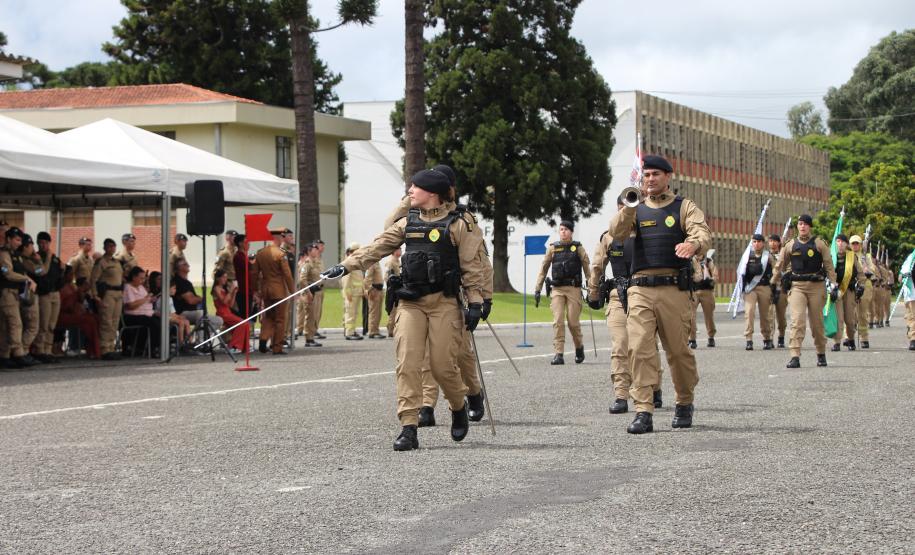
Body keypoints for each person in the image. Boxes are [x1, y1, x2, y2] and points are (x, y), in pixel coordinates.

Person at [323, 168, 485, 451]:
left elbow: (473, 266)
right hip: (411, 301)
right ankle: (409, 427)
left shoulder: (461, 223)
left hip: (444, 303)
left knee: (442, 365)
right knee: (408, 362)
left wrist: (476, 302)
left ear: (432, 193)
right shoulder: (407, 223)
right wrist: (345, 266)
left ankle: (458, 406)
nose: (410, 191)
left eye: (415, 187)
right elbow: (378, 246)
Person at [606, 154, 711, 434]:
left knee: (678, 353)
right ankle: (643, 410)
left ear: (668, 177)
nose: (650, 179)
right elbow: (616, 234)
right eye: (646, 175)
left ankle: (684, 401)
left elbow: (702, 233)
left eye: (655, 174)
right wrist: (630, 206)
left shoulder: (684, 207)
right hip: (640, 288)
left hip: (674, 288)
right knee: (639, 349)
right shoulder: (635, 208)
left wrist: (693, 245)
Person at [588, 196, 663, 414]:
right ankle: (621, 394)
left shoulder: (649, 233)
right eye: (621, 208)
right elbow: (597, 266)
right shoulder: (608, 237)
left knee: (645, 346)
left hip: (646, 294)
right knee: (620, 345)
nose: (625, 212)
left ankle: (653, 387)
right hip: (618, 295)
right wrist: (594, 292)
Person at [771, 214, 837, 369]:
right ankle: (795, 356)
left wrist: (834, 285)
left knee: (816, 323)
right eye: (800, 224)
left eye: (806, 224)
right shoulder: (790, 245)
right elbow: (780, 264)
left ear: (810, 227)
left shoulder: (820, 244)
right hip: (797, 286)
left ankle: (821, 353)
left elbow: (829, 266)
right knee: (797, 321)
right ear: (797, 227)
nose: (803, 227)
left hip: (816, 287)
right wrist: (773, 283)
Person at [534, 220, 591, 365]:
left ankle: (579, 347)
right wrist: (538, 289)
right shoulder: (553, 248)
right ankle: (558, 354)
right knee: (558, 321)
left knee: (573, 322)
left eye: (566, 229)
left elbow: (587, 269)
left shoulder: (578, 248)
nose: (563, 232)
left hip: (573, 289)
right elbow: (543, 269)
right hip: (557, 289)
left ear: (571, 231)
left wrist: (592, 288)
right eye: (561, 229)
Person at [251, 229, 294, 354]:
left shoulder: (261, 253)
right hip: (279, 291)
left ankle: (263, 339)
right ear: (279, 238)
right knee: (280, 319)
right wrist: (292, 291)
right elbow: (287, 275)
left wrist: (255, 290)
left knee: (268, 317)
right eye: (282, 237)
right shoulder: (281, 254)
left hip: (266, 290)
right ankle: (277, 347)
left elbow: (254, 273)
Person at [0, 227, 38, 369]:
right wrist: (26, 280)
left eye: (20, 240)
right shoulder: (3, 254)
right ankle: (18, 354)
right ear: (8, 239)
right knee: (16, 324)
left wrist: (27, 278)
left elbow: (33, 271)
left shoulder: (15, 255)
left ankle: (4, 356)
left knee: (5, 327)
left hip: (14, 293)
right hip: (6, 293)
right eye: (16, 239)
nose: (19, 243)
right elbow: (8, 274)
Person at [89, 238, 124, 361]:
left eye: (113, 246)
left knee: (115, 322)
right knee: (106, 322)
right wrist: (95, 295)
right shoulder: (101, 262)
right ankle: (104, 349)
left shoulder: (117, 262)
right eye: (109, 246)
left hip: (118, 293)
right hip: (107, 293)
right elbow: (93, 279)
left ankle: (111, 347)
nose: (112, 249)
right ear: (104, 248)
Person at [34, 231, 66, 363]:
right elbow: (39, 274)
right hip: (44, 294)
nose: (43, 245)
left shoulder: (54, 259)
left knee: (52, 324)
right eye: (41, 243)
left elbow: (60, 276)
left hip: (55, 293)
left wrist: (63, 270)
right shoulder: (35, 258)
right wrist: (46, 257)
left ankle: (48, 350)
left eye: (45, 243)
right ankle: (40, 350)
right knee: (44, 324)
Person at [831, 234, 864, 352]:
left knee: (849, 319)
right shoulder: (831, 256)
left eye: (842, 242)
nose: (840, 244)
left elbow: (860, 273)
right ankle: (836, 342)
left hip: (849, 290)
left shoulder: (851, 256)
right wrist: (830, 287)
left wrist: (861, 286)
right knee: (838, 317)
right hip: (836, 291)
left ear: (846, 244)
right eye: (837, 241)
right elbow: (826, 273)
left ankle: (850, 339)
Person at [55, 273, 101, 359]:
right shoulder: (64, 288)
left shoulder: (73, 288)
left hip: (75, 313)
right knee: (89, 321)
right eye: (70, 273)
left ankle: (93, 349)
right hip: (64, 315)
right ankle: (81, 347)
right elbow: (67, 306)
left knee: (95, 318)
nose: (72, 276)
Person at [742, 233, 775, 350]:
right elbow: (741, 272)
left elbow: (776, 270)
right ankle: (749, 339)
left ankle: (767, 338)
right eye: (754, 242)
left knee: (765, 314)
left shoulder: (768, 256)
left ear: (763, 243)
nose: (756, 244)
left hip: (764, 287)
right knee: (749, 311)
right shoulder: (746, 256)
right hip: (750, 288)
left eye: (759, 241)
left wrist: (775, 286)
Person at [172, 258, 224, 330]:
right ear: (179, 267)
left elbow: (193, 298)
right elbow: (191, 300)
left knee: (219, 320)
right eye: (185, 264)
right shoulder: (178, 281)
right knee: (200, 314)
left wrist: (195, 298)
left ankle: (203, 339)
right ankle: (201, 340)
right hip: (182, 313)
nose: (188, 265)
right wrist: (200, 298)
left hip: (193, 312)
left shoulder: (187, 282)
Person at [122, 266, 161, 356]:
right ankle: (153, 349)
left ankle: (161, 345)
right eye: (141, 278)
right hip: (133, 315)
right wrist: (146, 299)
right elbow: (131, 306)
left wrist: (151, 299)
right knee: (154, 324)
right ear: (134, 277)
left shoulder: (141, 287)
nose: (143, 280)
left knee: (162, 321)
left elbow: (146, 299)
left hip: (147, 313)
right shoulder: (128, 287)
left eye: (144, 278)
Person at [150, 271, 192, 352]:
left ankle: (190, 342)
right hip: (164, 317)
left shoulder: (170, 298)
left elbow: (173, 312)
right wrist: (178, 317)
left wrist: (179, 316)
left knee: (186, 321)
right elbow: (168, 313)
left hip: (169, 316)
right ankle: (181, 343)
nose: (175, 290)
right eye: (174, 288)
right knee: (181, 322)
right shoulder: (162, 298)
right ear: (167, 289)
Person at [18, 234, 43, 361]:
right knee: (32, 326)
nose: (33, 248)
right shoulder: (25, 261)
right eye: (32, 245)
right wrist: (39, 261)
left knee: (28, 326)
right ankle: (22, 351)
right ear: (26, 246)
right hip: (28, 295)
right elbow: (40, 272)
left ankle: (23, 351)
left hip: (27, 294)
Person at [212, 268, 246, 354]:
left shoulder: (224, 289)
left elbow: (230, 305)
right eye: (223, 277)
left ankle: (243, 346)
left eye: (226, 277)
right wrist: (230, 291)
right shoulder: (216, 289)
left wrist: (234, 292)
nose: (225, 279)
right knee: (242, 323)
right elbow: (223, 301)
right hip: (222, 313)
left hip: (227, 312)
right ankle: (233, 346)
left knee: (245, 324)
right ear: (218, 278)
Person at [690, 250, 718, 348]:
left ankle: (711, 336)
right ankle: (692, 339)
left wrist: (711, 280)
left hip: (707, 292)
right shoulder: (690, 260)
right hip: (694, 291)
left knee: (709, 316)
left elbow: (715, 275)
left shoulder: (709, 261)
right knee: (691, 316)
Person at [849, 235, 872, 348]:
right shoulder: (848, 256)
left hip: (865, 285)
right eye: (853, 243)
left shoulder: (866, 256)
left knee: (862, 313)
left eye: (857, 243)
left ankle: (864, 337)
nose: (855, 245)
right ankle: (849, 337)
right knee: (849, 313)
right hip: (850, 285)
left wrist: (866, 269)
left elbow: (872, 271)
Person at [298, 243, 323, 347]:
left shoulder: (315, 263)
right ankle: (308, 339)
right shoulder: (307, 263)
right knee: (309, 316)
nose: (317, 250)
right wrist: (308, 292)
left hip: (316, 292)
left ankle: (311, 337)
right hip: (309, 293)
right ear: (309, 252)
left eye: (317, 249)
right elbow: (302, 280)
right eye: (314, 249)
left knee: (314, 316)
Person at [341, 242, 366, 340]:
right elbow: (345, 279)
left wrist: (363, 290)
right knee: (350, 313)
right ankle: (349, 333)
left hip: (356, 292)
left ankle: (351, 330)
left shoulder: (356, 262)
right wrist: (347, 292)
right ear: (353, 251)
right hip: (351, 293)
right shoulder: (349, 262)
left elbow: (359, 278)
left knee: (354, 313)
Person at [767, 234, 789, 348]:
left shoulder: (784, 255)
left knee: (781, 316)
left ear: (779, 243)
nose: (772, 243)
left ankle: (781, 335)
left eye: (775, 241)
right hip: (769, 287)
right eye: (770, 241)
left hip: (781, 287)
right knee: (769, 314)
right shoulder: (765, 256)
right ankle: (770, 338)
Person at [898, 248, 915, 350]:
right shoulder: (909, 259)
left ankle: (913, 337)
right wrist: (905, 276)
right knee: (911, 317)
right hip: (910, 293)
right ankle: (913, 338)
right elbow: (900, 277)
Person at [364, 261, 385, 338]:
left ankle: (376, 330)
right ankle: (372, 331)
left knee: (378, 312)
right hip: (374, 290)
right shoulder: (372, 263)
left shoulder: (377, 263)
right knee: (374, 312)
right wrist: (369, 290)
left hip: (379, 290)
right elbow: (367, 278)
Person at [232, 234, 251, 316]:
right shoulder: (238, 256)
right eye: (246, 242)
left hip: (248, 288)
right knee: (244, 313)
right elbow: (249, 267)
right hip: (243, 289)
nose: (248, 244)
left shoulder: (244, 255)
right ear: (240, 243)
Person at [385, 247, 402, 338]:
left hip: (397, 288)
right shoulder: (391, 262)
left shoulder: (397, 261)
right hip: (392, 289)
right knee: (392, 310)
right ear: (394, 251)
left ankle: (394, 328)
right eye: (399, 249)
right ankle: (390, 330)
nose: (401, 251)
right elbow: (387, 276)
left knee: (397, 309)